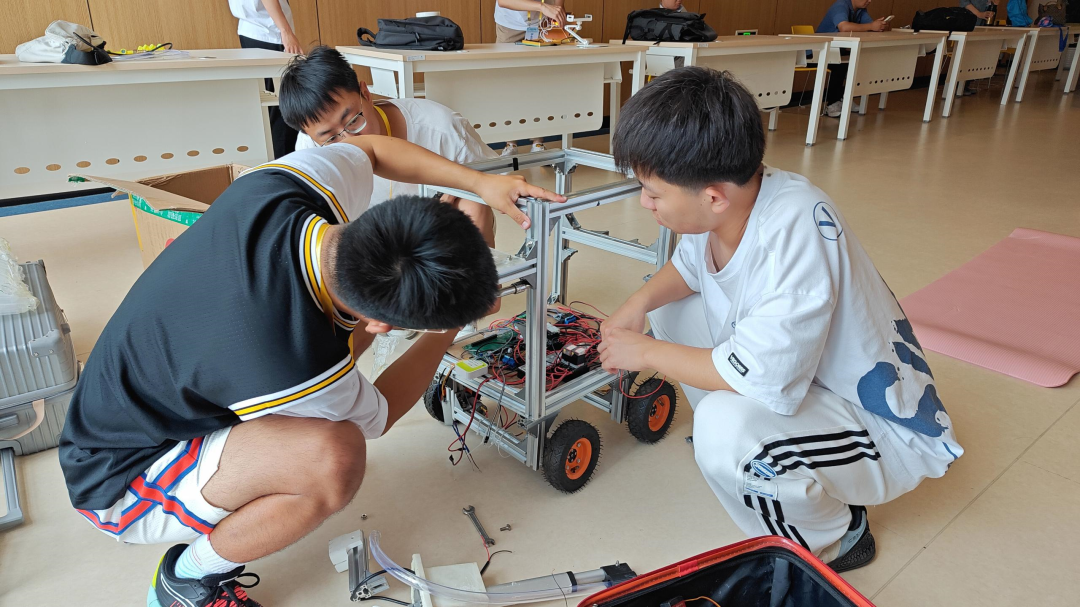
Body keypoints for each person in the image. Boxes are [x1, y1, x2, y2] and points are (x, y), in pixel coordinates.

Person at [59, 138, 562, 607]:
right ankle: (187, 578)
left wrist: (479, 183)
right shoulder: (287, 363)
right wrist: (447, 328)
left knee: (325, 380)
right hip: (119, 477)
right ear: (382, 323)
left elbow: (368, 148)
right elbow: (381, 414)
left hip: (149, 392)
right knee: (335, 458)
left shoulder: (279, 189)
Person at [599, 67, 963, 572]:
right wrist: (636, 305)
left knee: (725, 431)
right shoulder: (734, 199)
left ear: (712, 196)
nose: (645, 203)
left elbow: (763, 374)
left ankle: (835, 535)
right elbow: (686, 272)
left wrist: (643, 353)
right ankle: (756, 453)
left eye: (653, 193)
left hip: (879, 427)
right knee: (667, 310)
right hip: (803, 380)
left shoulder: (793, 228)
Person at [281, 46, 498, 249]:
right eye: (331, 138)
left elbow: (492, 181)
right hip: (367, 247)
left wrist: (457, 192)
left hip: (439, 236)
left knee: (473, 206)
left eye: (353, 121)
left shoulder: (440, 129)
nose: (350, 141)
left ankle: (480, 278)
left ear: (366, 94)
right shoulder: (310, 150)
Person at [493, 0, 567, 155]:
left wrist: (558, 10)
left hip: (542, 24)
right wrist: (542, 7)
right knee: (508, 84)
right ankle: (510, 143)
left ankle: (538, 142)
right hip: (510, 25)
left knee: (539, 82)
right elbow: (504, 1)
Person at [229, 0, 301, 158]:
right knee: (284, 107)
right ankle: (285, 164)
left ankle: (279, 162)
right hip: (269, 33)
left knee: (272, 107)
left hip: (254, 30)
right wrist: (286, 32)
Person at [817, 0, 891, 117]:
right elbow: (844, 27)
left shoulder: (861, 10)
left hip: (838, 50)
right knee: (842, 64)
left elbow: (870, 27)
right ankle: (833, 103)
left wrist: (879, 26)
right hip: (819, 52)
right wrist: (871, 26)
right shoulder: (840, 5)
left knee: (857, 62)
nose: (869, 1)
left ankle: (844, 98)